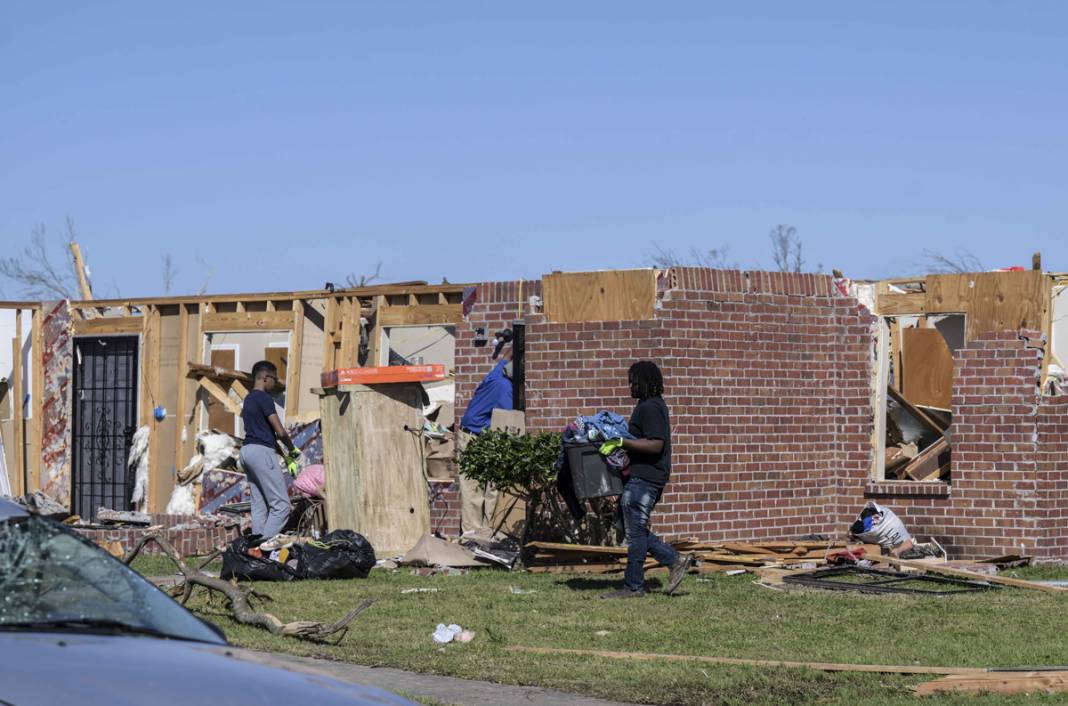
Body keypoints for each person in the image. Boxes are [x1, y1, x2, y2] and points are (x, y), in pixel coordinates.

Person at [602, 361, 692, 599]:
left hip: (647, 477)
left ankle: (635, 585)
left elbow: (655, 444)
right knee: (627, 524)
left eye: (633, 381)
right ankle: (673, 561)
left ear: (645, 382)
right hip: (641, 475)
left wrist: (621, 441)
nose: (629, 386)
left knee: (635, 530)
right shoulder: (646, 405)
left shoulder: (651, 407)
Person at [239, 360, 298, 546]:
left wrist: (283, 455)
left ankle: (254, 547)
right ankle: (262, 545)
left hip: (247, 452)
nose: (276, 384)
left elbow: (265, 433)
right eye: (274, 379)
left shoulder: (248, 399)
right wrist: (292, 449)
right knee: (281, 506)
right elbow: (279, 431)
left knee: (260, 504)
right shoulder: (264, 399)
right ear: (265, 378)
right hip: (261, 453)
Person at [456, 346, 513, 535]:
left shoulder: (498, 371)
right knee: (481, 491)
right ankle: (476, 537)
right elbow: (508, 421)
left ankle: (483, 534)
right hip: (475, 437)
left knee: (485, 490)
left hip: (473, 434)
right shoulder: (504, 388)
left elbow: (506, 355)